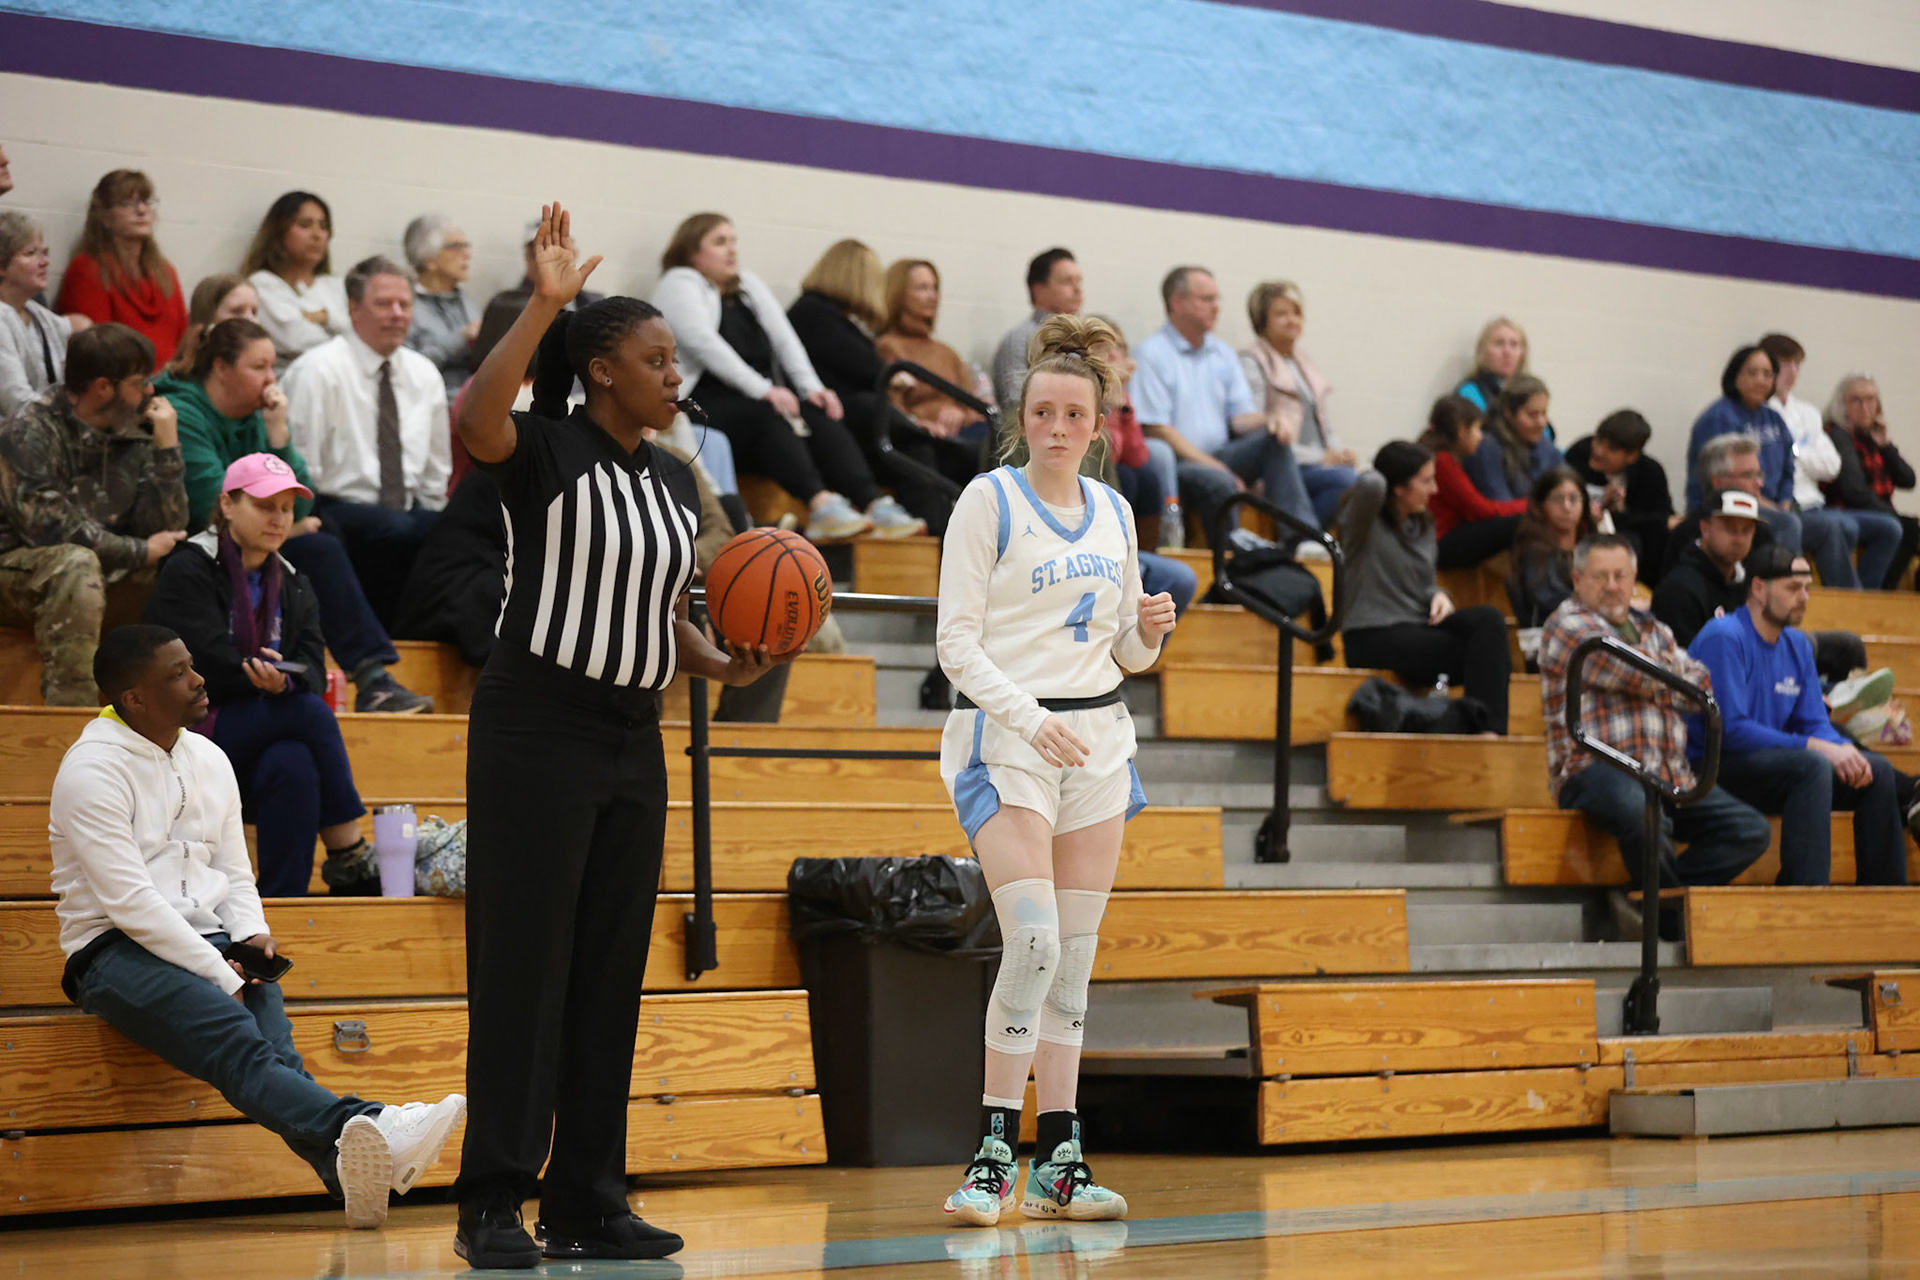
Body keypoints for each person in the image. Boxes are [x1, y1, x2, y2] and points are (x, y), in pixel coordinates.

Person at [449, 203, 786, 1268]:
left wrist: (723, 660)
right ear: (601, 370)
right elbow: (472, 418)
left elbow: (666, 619)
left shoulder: (673, 479)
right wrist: (546, 301)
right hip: (535, 726)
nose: (672, 373)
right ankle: (493, 1201)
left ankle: (589, 1197)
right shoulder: (544, 448)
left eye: (675, 358)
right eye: (654, 357)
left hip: (633, 737)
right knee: (524, 971)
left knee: (606, 974)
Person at [49, 624, 466, 1229]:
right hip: (112, 952)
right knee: (235, 1035)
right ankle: (375, 1123)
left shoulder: (210, 757)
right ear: (134, 698)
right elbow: (129, 902)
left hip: (209, 940)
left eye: (193, 665)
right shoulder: (90, 770)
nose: (198, 680)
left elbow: (234, 871)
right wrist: (221, 970)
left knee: (278, 1055)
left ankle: (344, 1167)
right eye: (177, 673)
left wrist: (249, 935)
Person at [936, 313, 1176, 1227]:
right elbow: (956, 643)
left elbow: (1122, 654)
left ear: (1096, 425)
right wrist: (1030, 720)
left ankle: (1061, 1160)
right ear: (1023, 415)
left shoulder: (1114, 511)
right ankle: (995, 1149)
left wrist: (1145, 632)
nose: (1058, 426)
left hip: (1098, 745)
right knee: (1032, 943)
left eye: (1075, 414)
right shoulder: (987, 502)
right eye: (1043, 411)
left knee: (1072, 963)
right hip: (1008, 741)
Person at [156, 317, 430, 713]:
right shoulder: (185, 412)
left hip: (251, 541)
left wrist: (279, 432)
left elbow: (301, 500)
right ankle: (368, 680)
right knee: (321, 548)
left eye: (273, 367)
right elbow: (209, 507)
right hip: (199, 552)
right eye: (259, 367)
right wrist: (289, 523)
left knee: (328, 541)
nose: (272, 380)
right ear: (219, 367)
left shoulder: (257, 413)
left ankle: (372, 679)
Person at [143, 455, 383, 894]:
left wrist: (282, 680)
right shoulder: (189, 567)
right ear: (228, 505)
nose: (278, 519)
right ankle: (347, 847)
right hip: (190, 734)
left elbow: (311, 665)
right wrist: (263, 676)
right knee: (309, 713)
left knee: (293, 764)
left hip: (259, 737)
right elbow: (203, 662)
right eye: (264, 505)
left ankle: (280, 904)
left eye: (287, 508)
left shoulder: (293, 581)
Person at [1538, 535, 1769, 933]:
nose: (1612, 585)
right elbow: (1621, 665)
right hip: (1593, 767)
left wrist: (1652, 675)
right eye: (1600, 576)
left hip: (1667, 772)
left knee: (1749, 831)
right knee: (1643, 811)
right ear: (1577, 579)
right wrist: (1664, 676)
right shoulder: (1565, 624)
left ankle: (1648, 901)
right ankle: (1668, 928)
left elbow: (1701, 684)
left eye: (1620, 576)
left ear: (1633, 580)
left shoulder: (1654, 626)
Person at [652, 213, 907, 541]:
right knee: (768, 413)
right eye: (719, 242)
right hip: (702, 401)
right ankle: (821, 503)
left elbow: (785, 339)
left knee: (816, 410)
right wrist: (764, 390)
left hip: (754, 399)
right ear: (691, 252)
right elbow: (705, 344)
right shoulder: (679, 283)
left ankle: (873, 503)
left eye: (733, 241)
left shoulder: (747, 285)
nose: (731, 250)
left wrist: (812, 388)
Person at [1688, 545, 1910, 886]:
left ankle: (1885, 896)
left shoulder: (1797, 645)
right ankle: (1804, 895)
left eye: (1807, 588)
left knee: (1874, 770)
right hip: (1715, 766)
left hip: (1769, 765)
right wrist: (1818, 747)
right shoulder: (1725, 636)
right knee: (1812, 766)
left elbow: (1813, 722)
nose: (1804, 597)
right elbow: (1729, 729)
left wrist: (1841, 748)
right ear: (1759, 588)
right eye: (1793, 588)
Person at [0, 324, 187, 704]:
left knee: (186, 565)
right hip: (17, 570)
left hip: (99, 569)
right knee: (76, 564)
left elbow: (166, 528)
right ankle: (72, 721)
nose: (151, 391)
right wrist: (139, 551)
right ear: (104, 387)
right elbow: (49, 529)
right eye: (140, 381)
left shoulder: (135, 430)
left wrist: (168, 449)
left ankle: (171, 712)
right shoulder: (31, 429)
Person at [282, 256, 450, 628]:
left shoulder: (424, 374)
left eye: (405, 305)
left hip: (403, 507)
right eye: (383, 304)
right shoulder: (317, 371)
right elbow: (301, 467)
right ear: (354, 308)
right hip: (333, 506)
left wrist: (438, 515)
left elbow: (436, 470)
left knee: (458, 531)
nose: (397, 314)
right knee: (397, 530)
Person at [1334, 441, 1512, 733]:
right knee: (1480, 656)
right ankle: (1481, 732)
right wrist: (1384, 469)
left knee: (1489, 620)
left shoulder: (1422, 525)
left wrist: (1438, 595)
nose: (1435, 490)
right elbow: (1371, 484)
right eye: (1426, 481)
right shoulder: (1363, 524)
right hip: (1372, 633)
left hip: (1416, 626)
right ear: (1398, 488)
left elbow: (1425, 583)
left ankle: (1489, 732)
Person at [1135, 266, 1317, 542]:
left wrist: (1270, 420)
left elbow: (1240, 418)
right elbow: (1157, 430)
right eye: (1207, 299)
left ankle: (1303, 542)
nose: (1216, 307)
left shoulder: (1222, 354)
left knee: (1273, 442)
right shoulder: (1152, 354)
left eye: (1217, 299)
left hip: (1220, 455)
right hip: (1180, 464)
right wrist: (1217, 468)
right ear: (1177, 303)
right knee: (1219, 481)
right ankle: (1232, 564)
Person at [784, 239, 944, 534]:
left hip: (850, 430)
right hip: (831, 426)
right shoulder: (811, 312)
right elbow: (863, 366)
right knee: (914, 441)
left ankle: (930, 549)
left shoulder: (839, 320)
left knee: (919, 454)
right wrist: (899, 390)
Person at [1760, 333, 1901, 590]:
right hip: (1791, 506)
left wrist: (1796, 453)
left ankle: (1868, 598)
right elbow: (1778, 465)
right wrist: (1802, 455)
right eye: (1785, 363)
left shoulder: (1807, 413)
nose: (1792, 371)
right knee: (1839, 527)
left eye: (1797, 364)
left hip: (1817, 503)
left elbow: (1832, 466)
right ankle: (1851, 603)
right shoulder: (1762, 413)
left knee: (1890, 528)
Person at [1239, 280, 1356, 527]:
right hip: (1285, 466)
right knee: (1344, 482)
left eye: (1296, 313)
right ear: (1262, 320)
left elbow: (1324, 424)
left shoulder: (1303, 362)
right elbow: (1254, 427)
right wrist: (1320, 458)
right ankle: (1303, 539)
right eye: (1281, 314)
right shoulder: (1251, 361)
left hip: (1317, 463)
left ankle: (1310, 541)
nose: (1292, 320)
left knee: (1367, 481)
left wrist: (1340, 452)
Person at [54, 170, 187, 367]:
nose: (141, 211)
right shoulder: (88, 270)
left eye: (146, 201)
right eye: (127, 203)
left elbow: (183, 340)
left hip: (168, 385)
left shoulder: (165, 272)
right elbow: (97, 350)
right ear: (104, 217)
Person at [1684, 344, 1799, 552]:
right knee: (1788, 524)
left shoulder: (1774, 418)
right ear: (1735, 377)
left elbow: (1789, 468)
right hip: (1727, 505)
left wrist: (1784, 501)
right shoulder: (1718, 418)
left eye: (1767, 374)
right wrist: (1770, 505)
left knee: (1835, 527)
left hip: (1775, 506)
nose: (1761, 380)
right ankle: (1785, 581)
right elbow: (1718, 481)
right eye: (1753, 373)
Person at [875, 257, 990, 448]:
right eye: (922, 288)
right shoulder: (887, 346)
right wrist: (923, 420)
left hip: (964, 433)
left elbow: (973, 405)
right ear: (899, 295)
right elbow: (893, 408)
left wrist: (959, 414)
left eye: (935, 288)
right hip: (924, 435)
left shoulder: (946, 352)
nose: (932, 296)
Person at [1822, 373, 1919, 589]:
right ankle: (1877, 594)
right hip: (1847, 511)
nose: (1865, 407)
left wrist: (1886, 446)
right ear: (1842, 406)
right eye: (1856, 400)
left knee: (1909, 528)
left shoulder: (1872, 436)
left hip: (1876, 511)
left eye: (1871, 399)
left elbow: (1908, 479)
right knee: (1906, 529)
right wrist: (1892, 514)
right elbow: (1853, 490)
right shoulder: (1839, 436)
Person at [1563, 409, 1675, 584]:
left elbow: (1662, 520)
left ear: (1632, 456)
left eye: (1611, 449)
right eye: (1598, 441)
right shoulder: (1579, 455)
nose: (1599, 451)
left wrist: (1620, 512)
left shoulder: (1650, 473)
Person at [1420, 393, 1526, 569]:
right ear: (1461, 430)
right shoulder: (1442, 461)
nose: (1481, 436)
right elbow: (1481, 510)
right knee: (1518, 522)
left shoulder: (1442, 455)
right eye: (1477, 429)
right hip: (1440, 544)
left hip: (1441, 538)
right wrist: (1529, 505)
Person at [243, 191, 347, 371]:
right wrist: (341, 329)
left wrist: (325, 317)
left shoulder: (337, 286)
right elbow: (296, 340)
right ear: (280, 232)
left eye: (323, 226)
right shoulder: (262, 284)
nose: (317, 235)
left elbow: (365, 336)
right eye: (305, 225)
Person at [1507, 466, 1600, 629]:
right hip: (1553, 633)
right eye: (1557, 499)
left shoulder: (1591, 543)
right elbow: (1549, 600)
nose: (1566, 507)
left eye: (1574, 499)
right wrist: (1600, 603)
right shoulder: (1534, 549)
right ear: (1541, 505)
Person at [990, 248, 1081, 411]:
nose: (1077, 289)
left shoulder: (1084, 339)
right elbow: (1016, 404)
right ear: (1039, 290)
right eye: (1066, 281)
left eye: (1078, 281)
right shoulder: (1019, 339)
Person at [0, 210, 70, 416]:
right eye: (30, 254)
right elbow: (16, 401)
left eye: (44, 253)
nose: (45, 262)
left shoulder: (40, 315)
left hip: (43, 430)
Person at [403, 214, 480, 397]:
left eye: (466, 246)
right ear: (428, 259)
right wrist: (460, 340)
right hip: (431, 402)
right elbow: (405, 369)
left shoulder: (464, 300)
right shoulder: (404, 304)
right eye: (456, 247)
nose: (467, 254)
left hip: (474, 400)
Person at [1462, 374, 1562, 502]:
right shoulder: (1486, 448)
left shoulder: (1547, 448)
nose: (1542, 423)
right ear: (1508, 413)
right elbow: (1500, 503)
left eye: (1544, 413)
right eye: (1532, 415)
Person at [165, 272, 261, 377]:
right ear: (207, 319)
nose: (251, 321)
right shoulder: (178, 386)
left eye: (254, 312)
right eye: (236, 311)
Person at [1457, 316, 1529, 411]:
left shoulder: (1529, 393)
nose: (1507, 352)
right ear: (1483, 351)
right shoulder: (1469, 393)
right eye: (1499, 343)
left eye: (1514, 344)